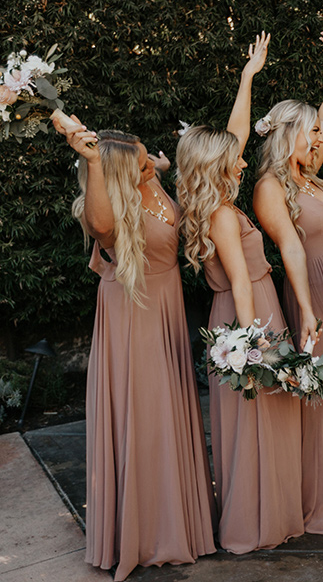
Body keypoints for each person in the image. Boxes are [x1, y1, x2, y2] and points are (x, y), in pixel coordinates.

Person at [60, 116, 215, 580]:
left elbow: (164, 203)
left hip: (164, 312)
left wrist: (162, 170)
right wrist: (91, 163)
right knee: (145, 418)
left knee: (167, 414)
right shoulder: (106, 210)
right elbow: (104, 223)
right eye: (144, 164)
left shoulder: (151, 185)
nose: (152, 166)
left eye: (150, 159)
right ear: (122, 174)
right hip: (135, 317)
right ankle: (147, 534)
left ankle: (177, 518)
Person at [176, 32, 306, 553]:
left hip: (235, 311)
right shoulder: (225, 215)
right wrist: (253, 350)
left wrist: (248, 78)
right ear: (219, 167)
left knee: (251, 422)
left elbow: (230, 136)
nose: (245, 160)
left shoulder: (205, 205)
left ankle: (258, 515)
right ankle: (256, 523)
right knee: (257, 415)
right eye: (236, 159)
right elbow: (238, 282)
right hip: (249, 312)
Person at [253, 31, 323, 534]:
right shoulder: (271, 186)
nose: (317, 137)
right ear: (288, 134)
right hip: (309, 296)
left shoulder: (309, 172)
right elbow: (290, 249)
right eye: (308, 131)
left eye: (316, 132)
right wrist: (307, 309)